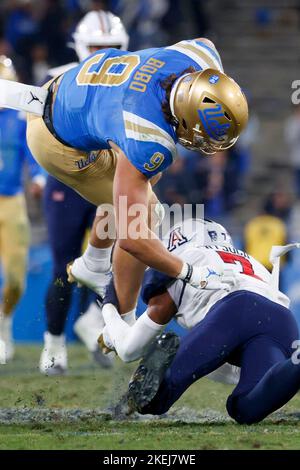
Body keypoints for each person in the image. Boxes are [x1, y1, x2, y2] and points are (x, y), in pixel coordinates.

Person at [25, 36, 248, 323]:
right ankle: (123, 321)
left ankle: (93, 262)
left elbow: (205, 43)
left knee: (139, 183)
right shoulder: (148, 137)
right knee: (147, 214)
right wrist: (189, 272)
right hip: (56, 140)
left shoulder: (200, 54)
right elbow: (132, 239)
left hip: (67, 90)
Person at [100, 218, 300, 425]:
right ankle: (296, 363)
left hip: (234, 312)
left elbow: (131, 349)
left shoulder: (180, 263)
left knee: (152, 400)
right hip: (282, 322)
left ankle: (159, 385)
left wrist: (109, 307)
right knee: (246, 407)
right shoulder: (253, 262)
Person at [39, 9, 129, 375]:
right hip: (65, 181)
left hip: (108, 180)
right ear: (78, 44)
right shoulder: (55, 79)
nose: (100, 53)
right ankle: (54, 343)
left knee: (116, 260)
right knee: (64, 265)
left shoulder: (130, 81)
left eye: (108, 46)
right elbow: (33, 132)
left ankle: (94, 325)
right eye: (94, 45)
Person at [0, 56, 45, 362]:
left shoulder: (17, 119)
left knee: (16, 278)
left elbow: (31, 150)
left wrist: (40, 176)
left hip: (12, 199)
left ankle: (3, 322)